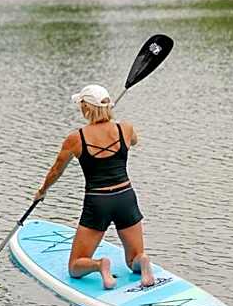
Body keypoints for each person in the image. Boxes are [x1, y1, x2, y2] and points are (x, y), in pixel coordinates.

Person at [33, 83, 154, 290]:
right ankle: (142, 260)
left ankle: (100, 265)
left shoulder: (75, 139)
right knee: (132, 260)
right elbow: (134, 142)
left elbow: (56, 171)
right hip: (126, 197)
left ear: (87, 108)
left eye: (81, 105)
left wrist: (42, 191)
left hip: (98, 202)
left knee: (75, 266)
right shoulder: (125, 127)